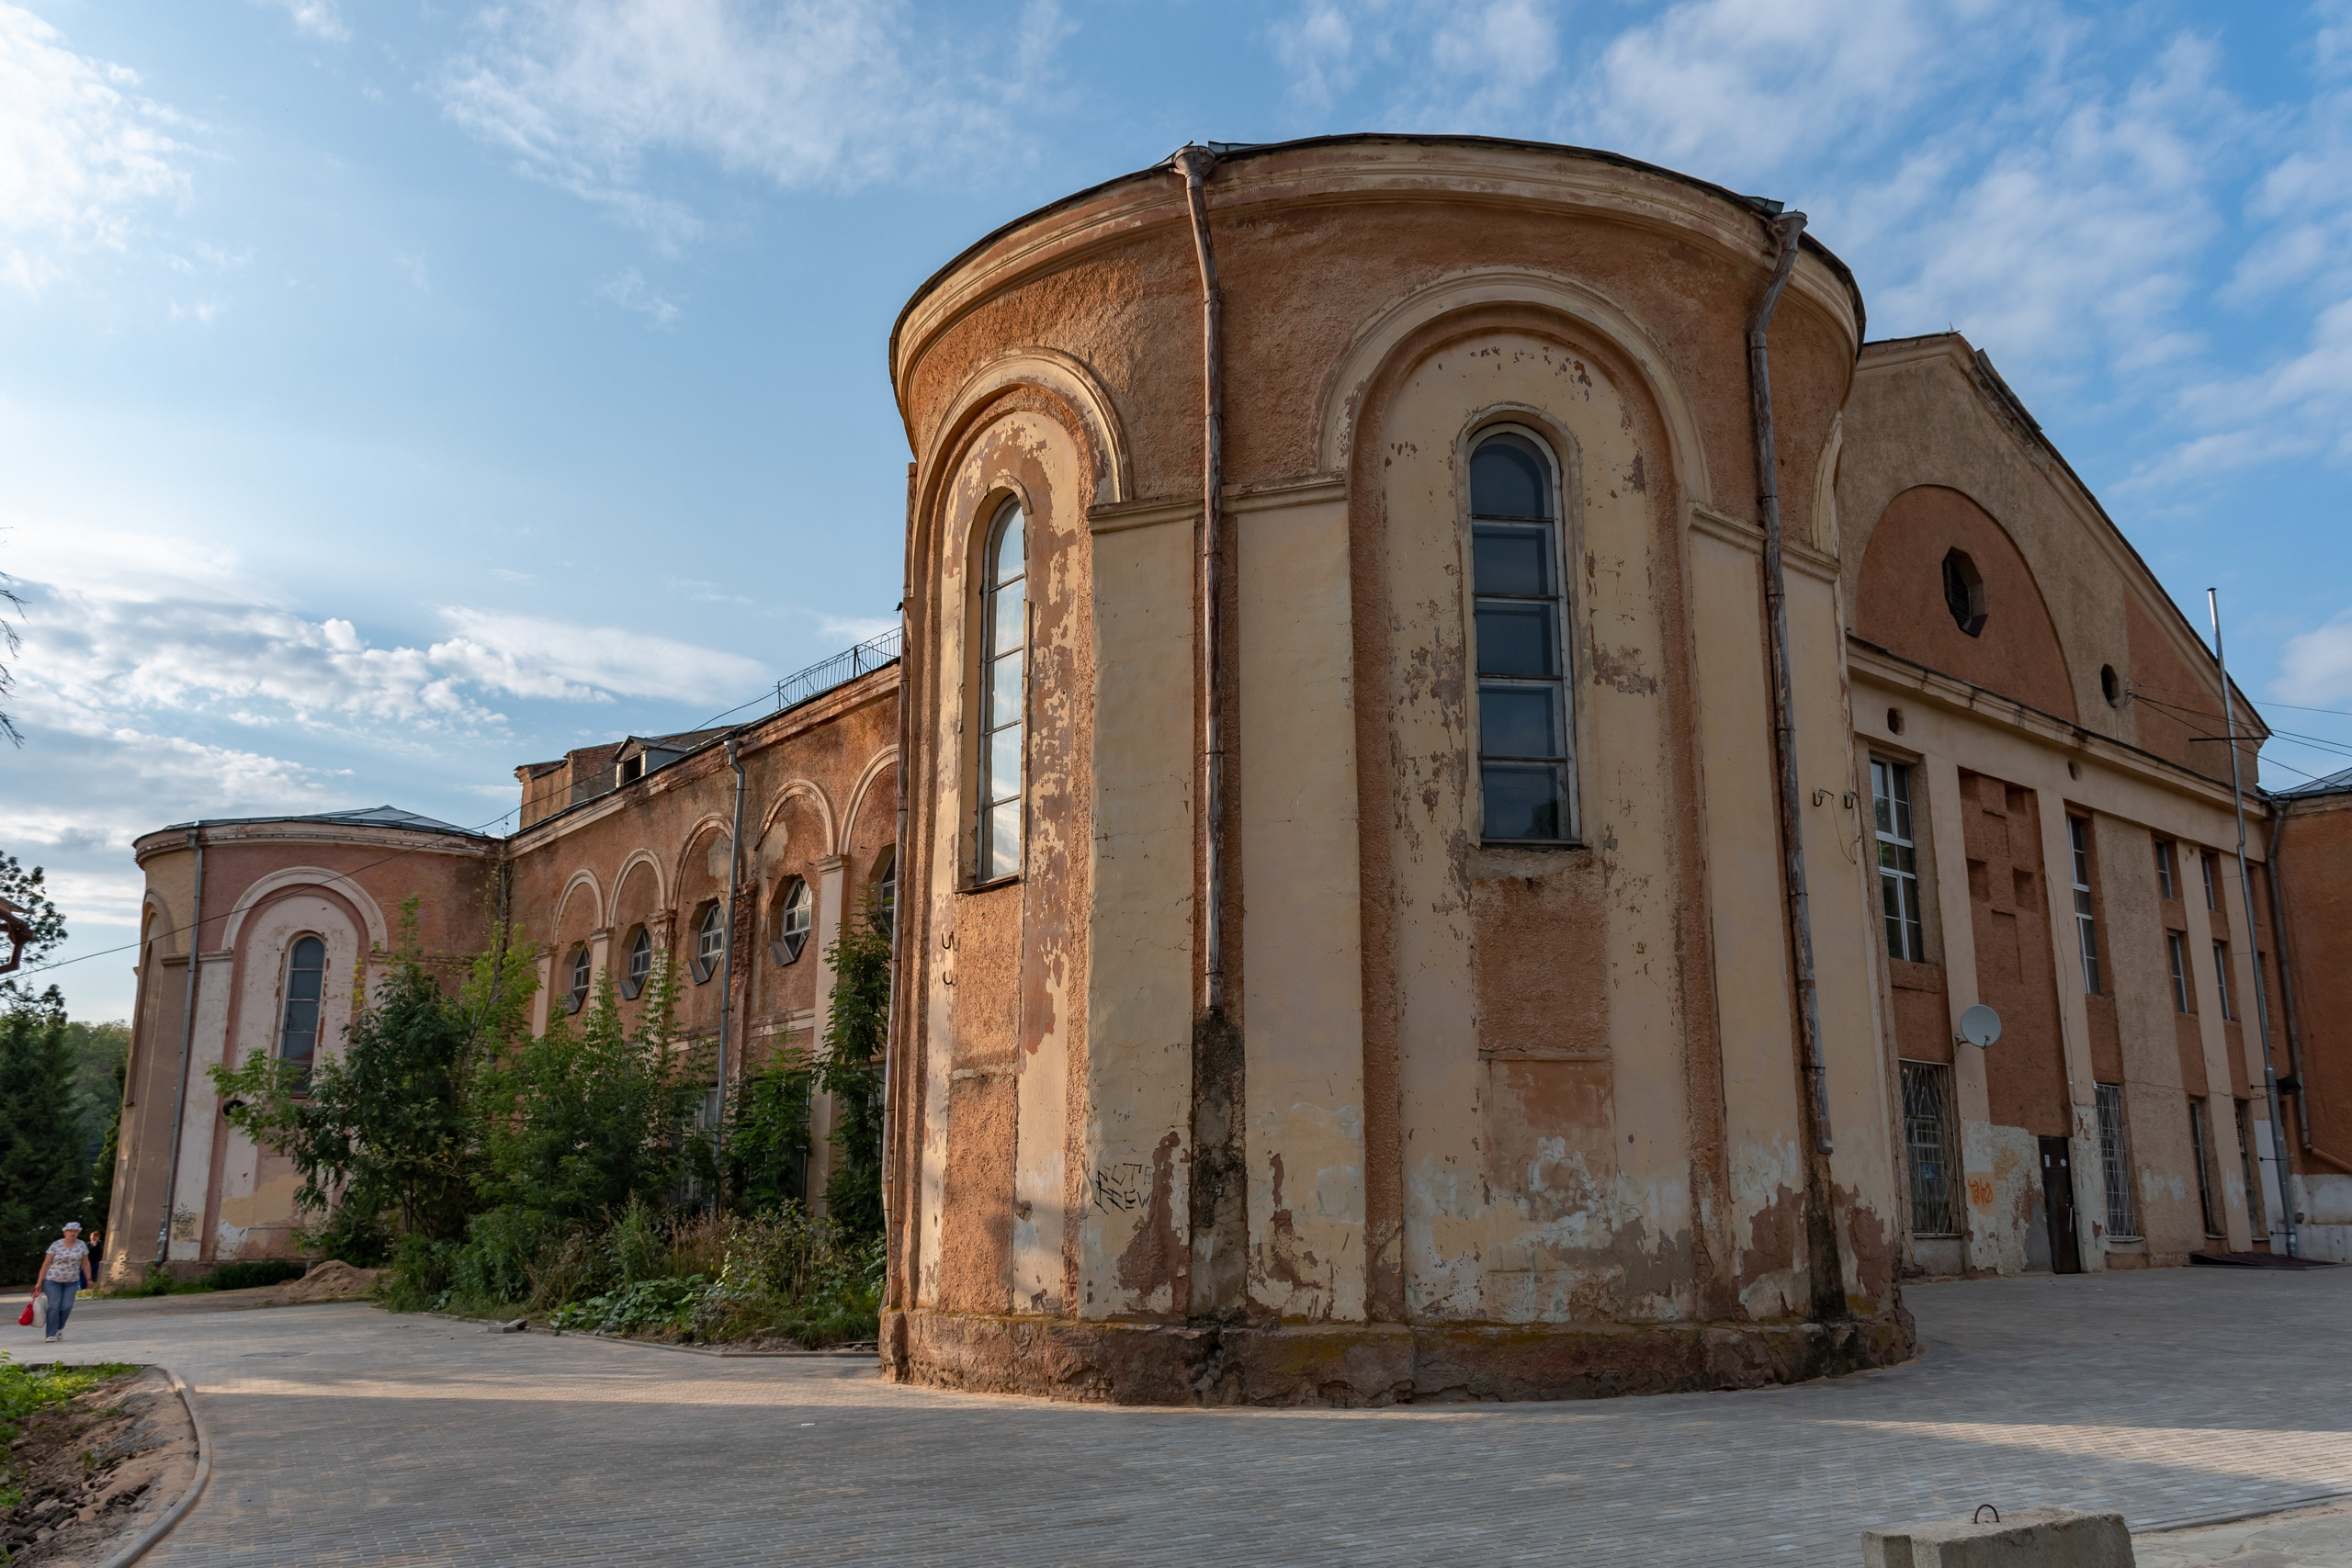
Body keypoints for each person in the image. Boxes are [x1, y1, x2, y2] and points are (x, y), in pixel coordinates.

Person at [29, 1223, 94, 1343]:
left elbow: (85, 1263)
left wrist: (89, 1279)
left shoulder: (81, 1245)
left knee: (66, 1306)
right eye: (70, 1231)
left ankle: (59, 1327)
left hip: (72, 1281)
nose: (72, 1233)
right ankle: (50, 1334)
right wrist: (39, 1282)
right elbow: (46, 1264)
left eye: (75, 1231)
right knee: (54, 1306)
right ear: (65, 1232)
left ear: (78, 1233)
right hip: (52, 1280)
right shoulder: (56, 1245)